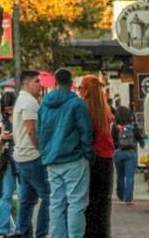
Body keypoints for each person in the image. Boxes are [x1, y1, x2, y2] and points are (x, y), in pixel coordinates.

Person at [37, 67, 92, 238]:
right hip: (74, 159)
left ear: (55, 82)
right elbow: (85, 131)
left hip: (52, 160)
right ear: (71, 82)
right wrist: (88, 154)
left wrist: (45, 154)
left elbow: (40, 133)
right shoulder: (77, 103)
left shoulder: (44, 104)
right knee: (76, 203)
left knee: (56, 203)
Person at [12, 69, 50, 238]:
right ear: (27, 84)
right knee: (49, 196)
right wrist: (42, 150)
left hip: (22, 157)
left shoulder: (23, 100)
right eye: (36, 81)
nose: (40, 85)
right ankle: (40, 234)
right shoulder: (29, 102)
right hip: (32, 157)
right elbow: (31, 130)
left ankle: (21, 232)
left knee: (27, 199)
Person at [78, 75, 113, 238]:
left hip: (92, 159)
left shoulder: (84, 108)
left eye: (81, 88)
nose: (79, 91)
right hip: (107, 159)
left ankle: (89, 233)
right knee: (104, 200)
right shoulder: (105, 109)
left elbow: (85, 136)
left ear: (86, 90)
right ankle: (103, 233)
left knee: (89, 200)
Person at [0, 89, 17, 236]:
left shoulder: (22, 117)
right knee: (6, 195)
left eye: (11, 109)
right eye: (6, 110)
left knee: (23, 195)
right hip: (8, 159)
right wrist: (2, 138)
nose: (9, 112)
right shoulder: (5, 121)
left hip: (21, 160)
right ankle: (3, 228)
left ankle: (20, 228)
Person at [112, 103, 145, 206]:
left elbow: (112, 140)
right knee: (129, 177)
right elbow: (139, 137)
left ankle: (120, 195)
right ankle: (128, 198)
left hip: (118, 153)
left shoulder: (115, 127)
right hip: (130, 153)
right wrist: (142, 143)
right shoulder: (132, 126)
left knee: (120, 176)